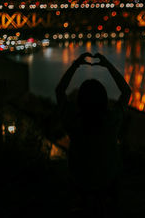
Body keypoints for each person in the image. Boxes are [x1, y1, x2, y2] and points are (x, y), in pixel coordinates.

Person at [55, 52, 131, 216]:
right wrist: (108, 65)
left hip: (80, 179)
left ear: (79, 100)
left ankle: (82, 203)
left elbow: (60, 90)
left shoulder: (73, 121)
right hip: (108, 178)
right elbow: (126, 91)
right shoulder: (112, 120)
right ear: (104, 100)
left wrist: (76, 64)